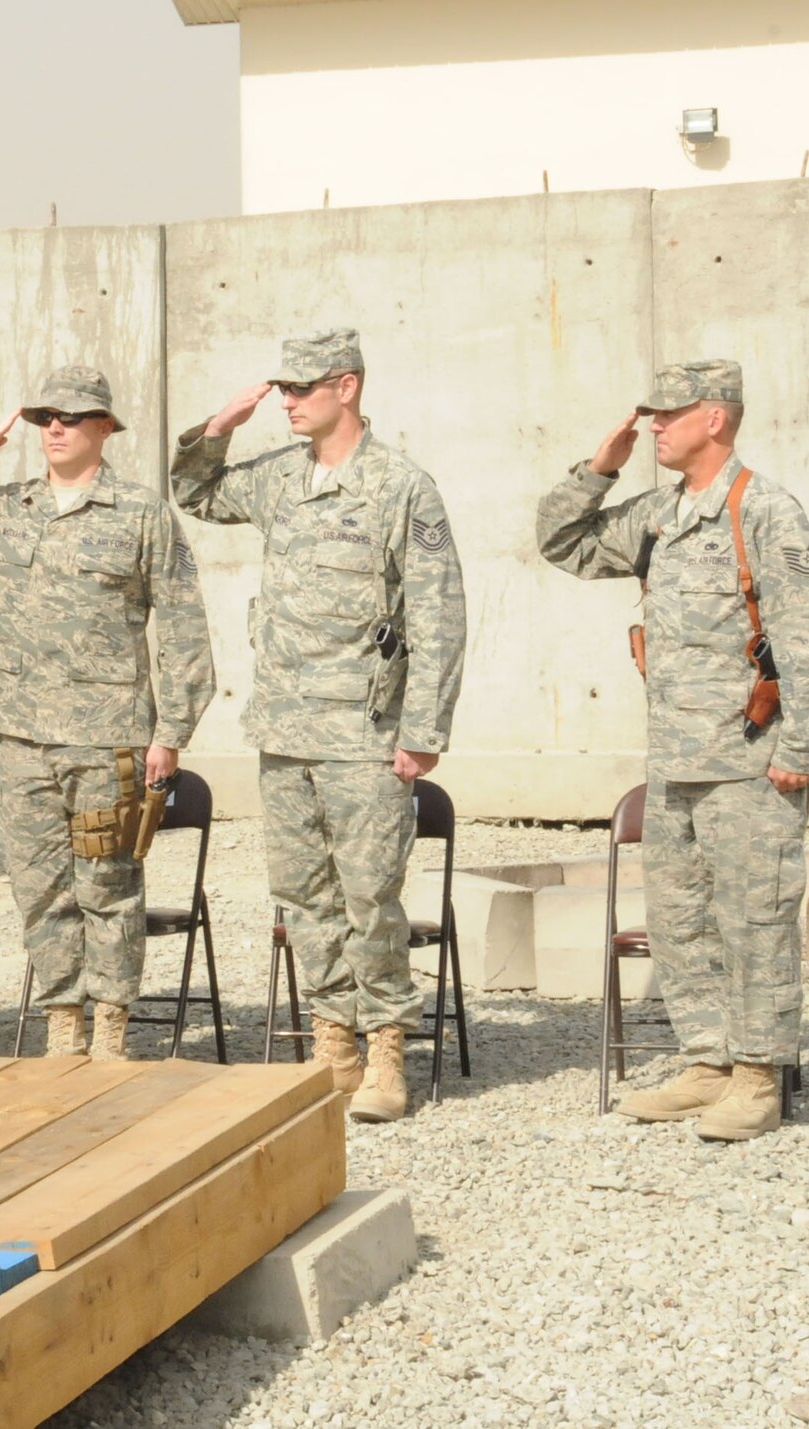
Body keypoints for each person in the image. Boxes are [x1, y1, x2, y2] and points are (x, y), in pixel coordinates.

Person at [538, 359, 809, 1140]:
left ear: (715, 417)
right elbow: (562, 542)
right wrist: (597, 470)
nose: (653, 428)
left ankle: (757, 1074)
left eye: (669, 414)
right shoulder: (660, 515)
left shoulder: (766, 511)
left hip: (749, 764)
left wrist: (802, 750)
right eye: (650, 416)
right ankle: (706, 1061)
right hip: (674, 764)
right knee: (681, 922)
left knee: (756, 919)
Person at [171, 330, 467, 1120]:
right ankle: (331, 1041)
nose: (290, 401)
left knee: (372, 896)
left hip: (364, 733)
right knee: (303, 894)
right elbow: (195, 494)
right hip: (286, 729)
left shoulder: (402, 486)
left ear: (348, 386)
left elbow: (437, 615)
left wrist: (422, 729)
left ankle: (386, 1052)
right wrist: (219, 426)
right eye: (283, 388)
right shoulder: (279, 479)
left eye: (302, 387)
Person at [0, 366, 213, 1059]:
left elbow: (183, 624)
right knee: (39, 886)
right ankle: (62, 1017)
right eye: (43, 418)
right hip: (24, 738)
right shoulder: (9, 506)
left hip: (107, 739)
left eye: (70, 416)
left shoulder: (142, 512)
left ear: (104, 426)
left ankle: (112, 1023)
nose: (55, 428)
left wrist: (171, 733)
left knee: (109, 884)